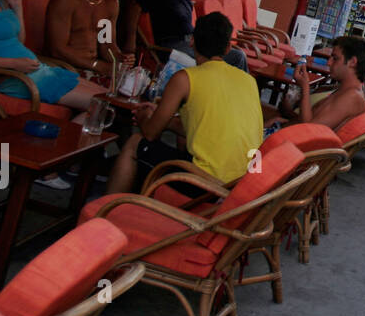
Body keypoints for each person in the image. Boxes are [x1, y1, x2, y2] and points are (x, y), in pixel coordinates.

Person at [106, 12, 264, 195]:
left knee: (135, 143)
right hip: (239, 185)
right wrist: (163, 118)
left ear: (192, 42)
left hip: (204, 183)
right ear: (228, 48)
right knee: (181, 140)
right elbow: (209, 127)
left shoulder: (185, 78)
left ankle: (105, 211)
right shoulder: (249, 80)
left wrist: (145, 117)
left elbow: (149, 133)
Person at [122, 0, 248, 72]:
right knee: (223, 60)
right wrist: (131, 39)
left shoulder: (186, 1)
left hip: (192, 43)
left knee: (238, 55)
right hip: (172, 46)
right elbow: (135, 7)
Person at [292, 35, 365, 132]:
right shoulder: (347, 91)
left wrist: (305, 87)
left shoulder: (352, 97)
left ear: (352, 62)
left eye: (335, 58)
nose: (328, 63)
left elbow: (308, 130)